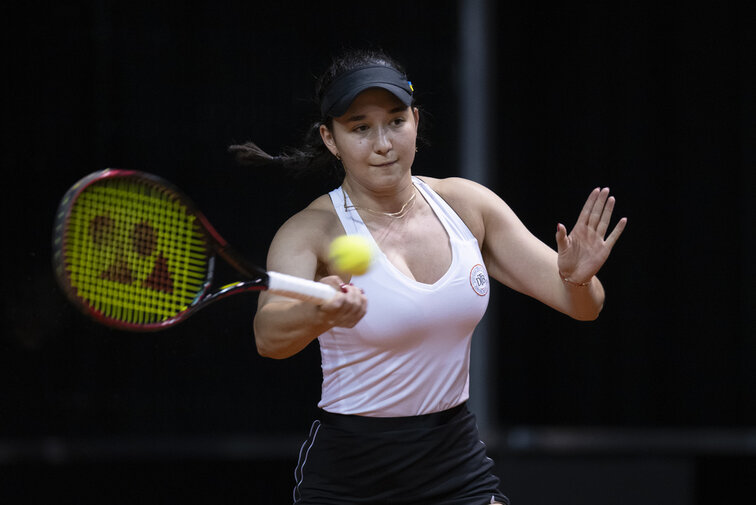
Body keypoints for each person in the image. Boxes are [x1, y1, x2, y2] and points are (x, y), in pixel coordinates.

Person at [230, 48, 626, 505]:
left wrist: (577, 278)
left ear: (415, 120)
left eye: (396, 121)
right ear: (330, 138)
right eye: (360, 128)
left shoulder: (467, 205)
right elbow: (269, 336)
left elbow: (584, 307)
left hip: (454, 465)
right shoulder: (309, 231)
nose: (382, 143)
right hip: (352, 479)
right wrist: (321, 313)